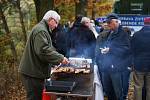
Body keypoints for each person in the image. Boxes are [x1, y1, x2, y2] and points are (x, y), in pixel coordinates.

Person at [18, 10, 69, 100]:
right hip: (32, 73)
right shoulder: (41, 30)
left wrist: (55, 59)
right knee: (34, 98)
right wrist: (60, 58)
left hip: (34, 71)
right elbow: (43, 51)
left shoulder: (43, 29)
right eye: (56, 22)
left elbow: (47, 48)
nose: (56, 26)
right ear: (51, 20)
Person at [95, 13, 132, 100]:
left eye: (110, 23)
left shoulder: (124, 34)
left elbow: (126, 50)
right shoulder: (108, 33)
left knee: (118, 93)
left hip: (117, 68)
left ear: (116, 22)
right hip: (105, 67)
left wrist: (111, 49)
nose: (108, 25)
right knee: (108, 91)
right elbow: (103, 44)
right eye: (107, 23)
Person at [131, 17, 150, 100]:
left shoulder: (136, 34)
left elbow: (131, 49)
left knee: (138, 87)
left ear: (144, 23)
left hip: (139, 64)